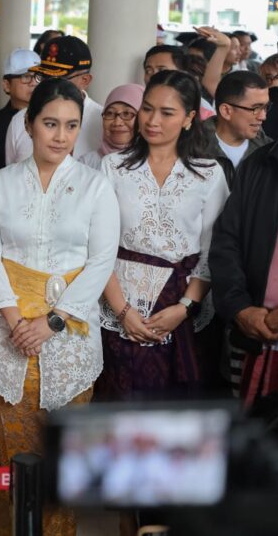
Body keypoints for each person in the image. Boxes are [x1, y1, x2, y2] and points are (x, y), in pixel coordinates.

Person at [0, 77, 120, 536]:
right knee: (13, 456)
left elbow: (101, 262)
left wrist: (52, 321)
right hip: (9, 333)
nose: (60, 136)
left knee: (63, 461)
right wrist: (18, 321)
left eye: (71, 126)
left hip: (69, 335)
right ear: (29, 124)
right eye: (50, 123)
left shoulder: (96, 187)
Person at [96, 70, 229, 403]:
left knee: (173, 411)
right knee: (118, 404)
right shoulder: (113, 167)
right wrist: (122, 311)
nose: (152, 120)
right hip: (118, 305)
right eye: (147, 108)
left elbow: (213, 251)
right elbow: (99, 246)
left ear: (188, 119)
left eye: (167, 112)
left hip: (181, 308)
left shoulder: (209, 175)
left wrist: (184, 308)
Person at [209, 56, 278, 407]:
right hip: (253, 333)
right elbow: (227, 240)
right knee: (255, 444)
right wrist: (241, 308)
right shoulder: (262, 162)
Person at [3, 36, 103, 166]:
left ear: (85, 80)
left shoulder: (102, 122)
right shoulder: (20, 120)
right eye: (44, 76)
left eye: (59, 78)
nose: (49, 84)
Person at [203, 70, 271, 188]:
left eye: (266, 107)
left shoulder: (270, 152)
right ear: (226, 111)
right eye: (255, 108)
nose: (263, 116)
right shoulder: (189, 146)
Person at [77, 83, 143, 170]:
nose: (117, 122)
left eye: (126, 114)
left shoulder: (154, 163)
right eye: (110, 113)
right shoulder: (86, 163)